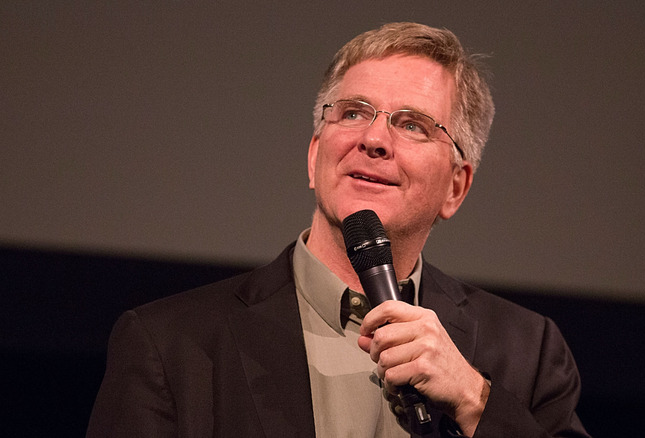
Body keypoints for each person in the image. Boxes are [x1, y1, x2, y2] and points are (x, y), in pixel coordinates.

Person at [87, 22, 590, 437]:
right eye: (353, 113)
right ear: (314, 157)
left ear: (456, 187)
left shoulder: (528, 352)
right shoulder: (170, 343)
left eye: (412, 124)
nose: (373, 138)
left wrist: (474, 400)